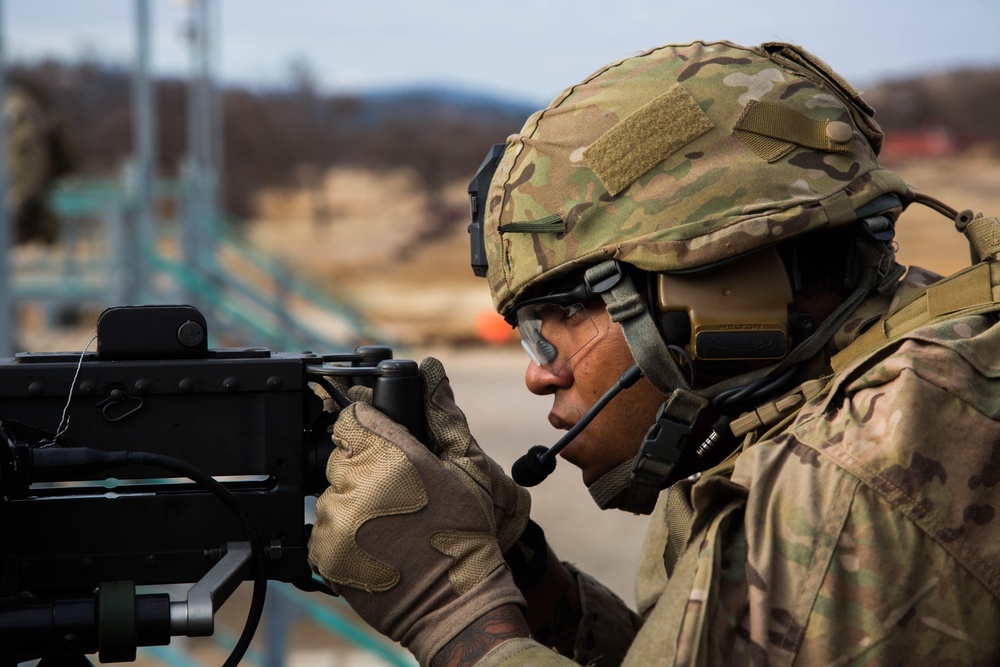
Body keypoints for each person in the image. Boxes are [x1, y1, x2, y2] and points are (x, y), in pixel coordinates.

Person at [307, 40, 1000, 666]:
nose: (538, 370)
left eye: (562, 315)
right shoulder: (850, 388)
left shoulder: (856, 483)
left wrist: (450, 613)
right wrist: (515, 562)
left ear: (722, 290)